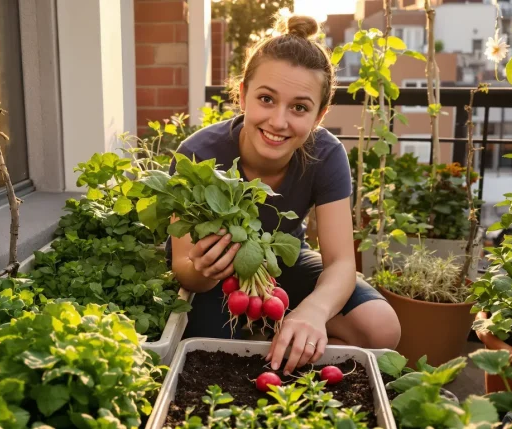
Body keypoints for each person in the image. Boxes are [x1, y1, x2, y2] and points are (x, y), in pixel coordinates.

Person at [167, 14, 401, 375]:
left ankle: (286, 345)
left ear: (319, 115)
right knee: (209, 356)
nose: (278, 121)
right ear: (243, 95)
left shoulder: (326, 154)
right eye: (266, 99)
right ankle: (275, 346)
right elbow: (184, 269)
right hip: (216, 277)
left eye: (299, 108)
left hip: (282, 264)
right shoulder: (199, 154)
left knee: (381, 328)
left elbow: (340, 261)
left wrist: (313, 311)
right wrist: (202, 270)